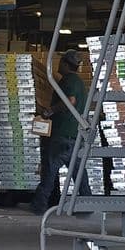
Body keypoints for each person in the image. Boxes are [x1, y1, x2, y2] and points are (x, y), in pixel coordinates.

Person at [31, 49, 91, 213]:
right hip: (75, 135)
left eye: (61, 61)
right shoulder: (79, 82)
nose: (58, 64)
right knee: (79, 174)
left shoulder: (69, 81)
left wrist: (50, 111)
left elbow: (70, 101)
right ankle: (88, 205)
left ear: (66, 64)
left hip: (62, 134)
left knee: (50, 171)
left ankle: (39, 205)